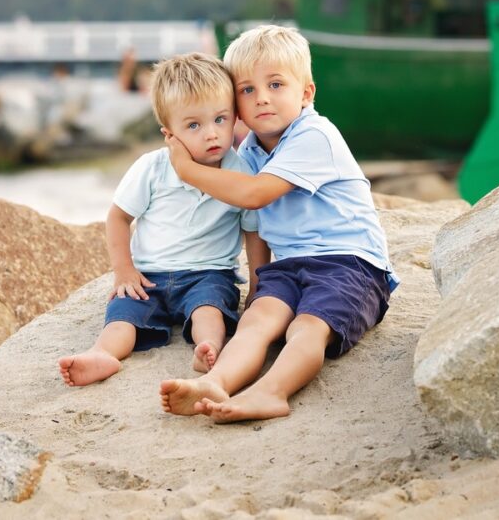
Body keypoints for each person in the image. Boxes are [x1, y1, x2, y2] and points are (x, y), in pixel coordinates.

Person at [158, 25, 396, 422]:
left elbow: (254, 195)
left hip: (350, 264)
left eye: (275, 85)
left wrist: (186, 168)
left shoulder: (315, 135)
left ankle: (272, 391)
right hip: (288, 265)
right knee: (257, 320)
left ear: (306, 93)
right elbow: (255, 224)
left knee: (307, 326)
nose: (262, 98)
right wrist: (258, 283)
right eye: (247, 90)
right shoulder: (249, 149)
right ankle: (218, 381)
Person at [58, 52, 270, 386]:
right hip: (149, 275)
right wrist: (124, 271)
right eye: (193, 125)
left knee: (209, 309)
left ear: (235, 118)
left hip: (207, 273)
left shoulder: (239, 173)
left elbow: (253, 231)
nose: (211, 134)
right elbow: (118, 217)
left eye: (220, 119)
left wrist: (258, 282)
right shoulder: (152, 169)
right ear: (168, 133)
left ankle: (208, 348)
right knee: (123, 314)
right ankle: (104, 354)